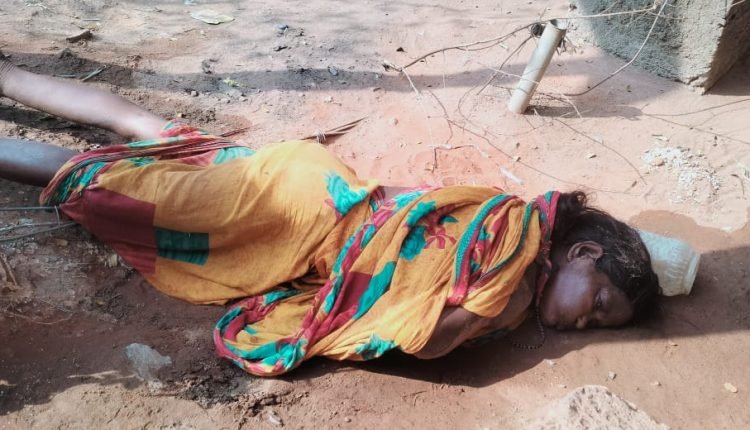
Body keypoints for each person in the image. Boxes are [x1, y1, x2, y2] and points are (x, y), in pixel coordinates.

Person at [0, 52, 660, 376]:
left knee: (161, 135)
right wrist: (489, 307)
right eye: (598, 302)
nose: (582, 322)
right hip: (294, 214)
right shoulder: (510, 255)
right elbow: (425, 340)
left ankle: (8, 76)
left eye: (596, 324)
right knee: (106, 185)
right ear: (583, 253)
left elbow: (406, 220)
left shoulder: (505, 219)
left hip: (315, 188)